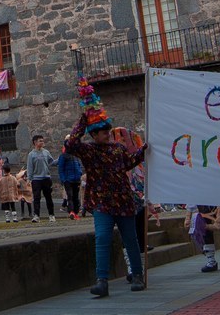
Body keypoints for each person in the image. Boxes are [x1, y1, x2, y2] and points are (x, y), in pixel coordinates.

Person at [65, 103, 147, 297]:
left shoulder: (118, 149)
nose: (107, 134)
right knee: (102, 238)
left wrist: (143, 150)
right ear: (94, 135)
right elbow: (71, 144)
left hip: (123, 201)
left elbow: (129, 163)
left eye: (108, 131)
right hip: (101, 202)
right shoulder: (88, 150)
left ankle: (137, 274)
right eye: (103, 132)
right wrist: (84, 120)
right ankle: (101, 281)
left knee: (131, 239)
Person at [185, 205, 220, 272]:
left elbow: (219, 226)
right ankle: (211, 260)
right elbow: (192, 201)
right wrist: (188, 218)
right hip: (203, 204)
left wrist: (219, 215)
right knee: (204, 230)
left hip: (217, 203)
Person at [26, 134, 56, 223]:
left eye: (43, 141)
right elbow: (30, 167)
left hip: (46, 178)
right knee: (37, 197)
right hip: (36, 179)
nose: (42, 142)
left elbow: (52, 162)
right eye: (40, 141)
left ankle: (51, 215)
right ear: (35, 142)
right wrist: (29, 179)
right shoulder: (31, 155)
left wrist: (60, 160)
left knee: (48, 197)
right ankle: (36, 216)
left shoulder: (46, 152)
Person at [57, 139, 83, 220]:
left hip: (76, 179)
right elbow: (60, 169)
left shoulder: (75, 156)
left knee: (76, 197)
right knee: (70, 196)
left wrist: (80, 174)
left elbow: (79, 166)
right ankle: (71, 211)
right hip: (68, 179)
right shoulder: (63, 156)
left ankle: (75, 212)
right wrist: (63, 179)